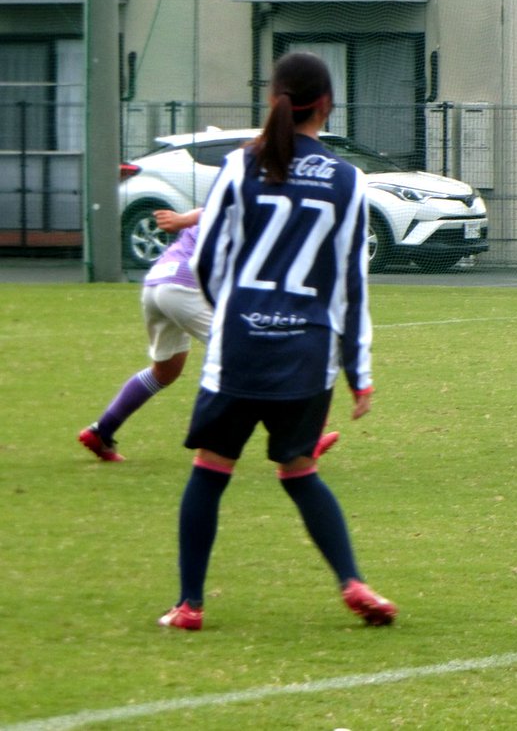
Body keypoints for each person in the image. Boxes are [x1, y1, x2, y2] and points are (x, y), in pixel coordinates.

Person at [158, 51, 394, 630]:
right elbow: (350, 283)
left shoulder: (241, 166)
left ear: (273, 100)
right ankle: (353, 581)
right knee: (298, 468)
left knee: (210, 469)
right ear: (328, 105)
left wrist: (236, 313)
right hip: (308, 351)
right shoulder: (347, 178)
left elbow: (209, 255)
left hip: (241, 343)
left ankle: (190, 604)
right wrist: (357, 371)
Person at [77, 209, 338, 463]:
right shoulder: (260, 211)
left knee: (165, 371)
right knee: (255, 358)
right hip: (185, 286)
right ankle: (301, 440)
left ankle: (102, 431)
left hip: (158, 283)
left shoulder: (242, 202)